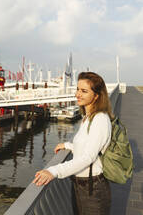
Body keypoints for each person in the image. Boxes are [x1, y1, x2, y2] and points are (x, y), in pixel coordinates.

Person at [33, 71, 114, 215]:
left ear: (96, 96)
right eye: (77, 89)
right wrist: (68, 146)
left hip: (93, 188)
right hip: (81, 184)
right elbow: (87, 144)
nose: (78, 94)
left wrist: (53, 171)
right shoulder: (88, 117)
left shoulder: (100, 119)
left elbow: (88, 157)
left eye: (84, 91)